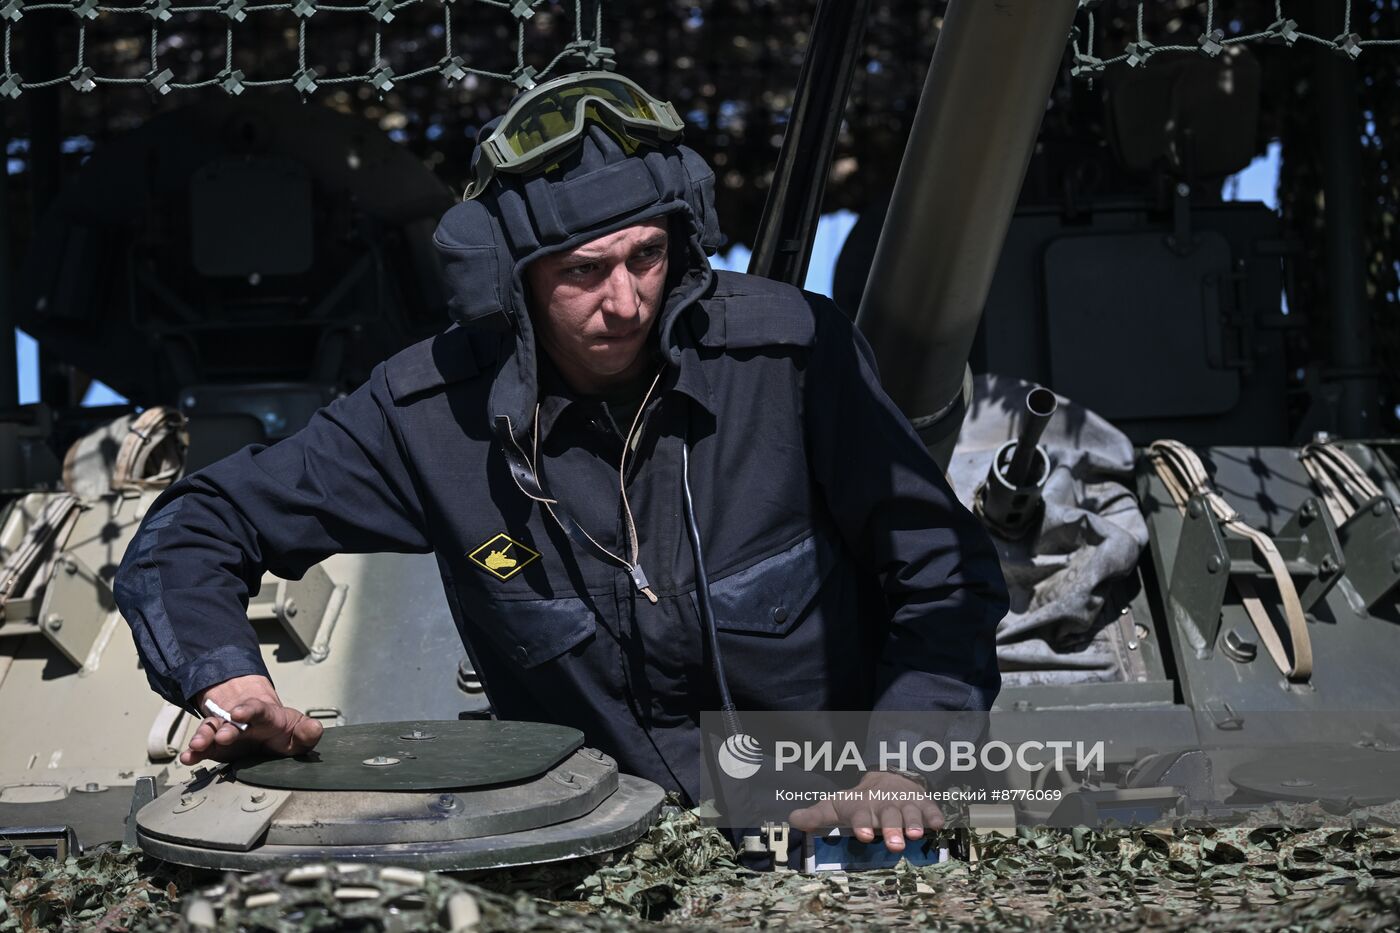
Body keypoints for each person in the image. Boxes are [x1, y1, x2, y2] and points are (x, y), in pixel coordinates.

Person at [114, 71, 1008, 856]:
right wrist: (225, 678)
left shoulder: (791, 358)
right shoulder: (429, 416)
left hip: (837, 838)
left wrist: (906, 764)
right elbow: (195, 526)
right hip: (595, 869)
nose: (625, 302)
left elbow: (946, 574)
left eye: (649, 257)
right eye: (585, 271)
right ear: (509, 277)